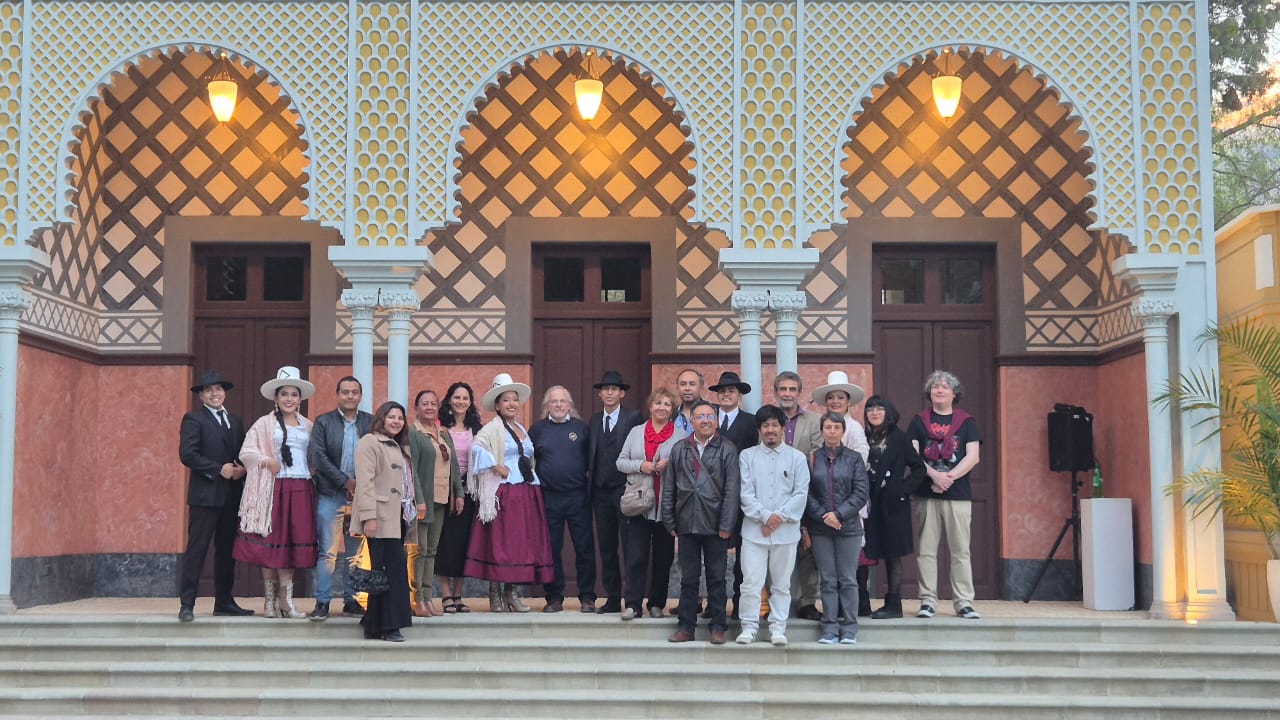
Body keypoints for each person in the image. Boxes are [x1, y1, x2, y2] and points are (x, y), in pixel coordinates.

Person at [464, 373, 555, 611]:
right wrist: (496, 466)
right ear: (497, 404)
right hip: (505, 491)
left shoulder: (520, 427)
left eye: (514, 399)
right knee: (501, 542)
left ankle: (511, 593)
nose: (512, 404)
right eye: (506, 400)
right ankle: (495, 593)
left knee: (520, 542)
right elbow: (476, 448)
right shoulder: (492, 428)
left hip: (525, 489)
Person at [234, 366, 318, 620]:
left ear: (300, 399)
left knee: (292, 545)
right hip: (274, 488)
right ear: (276, 398)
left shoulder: (308, 426)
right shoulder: (264, 424)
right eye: (284, 394)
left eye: (294, 394)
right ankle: (269, 601)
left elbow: (315, 454)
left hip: (301, 486)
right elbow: (246, 452)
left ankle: (287, 601)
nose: (289, 399)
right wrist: (266, 461)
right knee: (272, 544)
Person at [661, 399, 740, 644]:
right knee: (688, 578)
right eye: (700, 416)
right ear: (691, 421)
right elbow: (669, 487)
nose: (705, 420)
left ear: (716, 421)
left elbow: (732, 490)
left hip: (716, 524)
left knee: (717, 577)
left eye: (710, 416)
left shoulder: (727, 448)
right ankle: (686, 626)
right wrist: (669, 519)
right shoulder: (679, 448)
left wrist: (727, 524)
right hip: (686, 521)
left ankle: (718, 626)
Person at [177, 370, 252, 622]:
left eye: (218, 389)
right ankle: (187, 603)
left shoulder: (235, 420)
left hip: (231, 496)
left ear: (224, 393)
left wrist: (243, 469)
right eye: (208, 390)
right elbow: (188, 454)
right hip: (205, 496)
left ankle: (224, 601)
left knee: (226, 551)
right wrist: (218, 469)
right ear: (201, 395)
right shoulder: (193, 419)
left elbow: (241, 452)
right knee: (197, 549)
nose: (214, 394)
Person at [909, 370, 982, 620]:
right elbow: (914, 455)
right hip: (927, 494)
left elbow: (973, 456)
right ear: (929, 393)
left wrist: (948, 478)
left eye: (944, 387)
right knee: (927, 551)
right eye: (935, 387)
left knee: (961, 551)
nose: (939, 390)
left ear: (954, 393)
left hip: (958, 495)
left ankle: (963, 602)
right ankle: (928, 601)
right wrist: (934, 476)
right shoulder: (918, 421)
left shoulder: (967, 421)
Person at [735, 405, 808, 646]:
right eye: (765, 426)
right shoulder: (747, 456)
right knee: (750, 584)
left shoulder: (797, 458)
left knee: (781, 585)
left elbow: (800, 494)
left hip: (786, 533)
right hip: (754, 532)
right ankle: (749, 626)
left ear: (782, 427)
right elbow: (746, 494)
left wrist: (777, 519)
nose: (770, 430)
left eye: (774, 425)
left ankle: (778, 627)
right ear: (759, 429)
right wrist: (766, 517)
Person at [615, 387, 686, 621]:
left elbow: (686, 468)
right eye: (658, 403)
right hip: (639, 504)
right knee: (636, 556)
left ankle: (657, 603)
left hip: (666, 506)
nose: (662, 408)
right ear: (651, 406)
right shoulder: (636, 432)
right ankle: (633, 604)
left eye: (667, 404)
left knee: (663, 558)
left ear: (672, 409)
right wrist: (641, 465)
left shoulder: (679, 435)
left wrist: (671, 463)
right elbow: (620, 462)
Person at [306, 376, 372, 621]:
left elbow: (377, 454)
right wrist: (345, 481)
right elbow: (319, 456)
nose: (350, 396)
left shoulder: (369, 422)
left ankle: (351, 599)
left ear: (360, 396)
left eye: (354, 392)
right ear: (338, 394)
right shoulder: (324, 422)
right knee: (328, 552)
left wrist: (360, 485)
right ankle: (322, 602)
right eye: (345, 392)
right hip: (331, 494)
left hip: (360, 497)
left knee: (355, 553)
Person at [352, 401, 415, 642]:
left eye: (400, 417)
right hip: (379, 516)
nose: (396, 421)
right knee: (389, 570)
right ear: (382, 418)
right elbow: (365, 482)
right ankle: (389, 626)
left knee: (387, 569)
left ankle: (374, 623)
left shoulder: (399, 446)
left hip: (397, 515)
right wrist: (369, 517)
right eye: (391, 417)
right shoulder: (370, 442)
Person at [529, 386, 595, 613]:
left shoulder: (581, 429)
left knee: (584, 548)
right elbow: (529, 463)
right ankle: (554, 597)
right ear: (546, 406)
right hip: (548, 497)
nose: (558, 405)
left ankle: (587, 597)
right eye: (553, 401)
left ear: (570, 405)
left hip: (578, 496)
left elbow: (590, 461)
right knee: (552, 549)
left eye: (562, 401)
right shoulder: (537, 430)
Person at [805, 412, 869, 645]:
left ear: (843, 431)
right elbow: (807, 492)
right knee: (828, 580)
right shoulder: (812, 458)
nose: (831, 431)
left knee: (848, 578)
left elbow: (861, 492)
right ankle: (830, 628)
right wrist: (824, 515)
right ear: (821, 430)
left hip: (849, 527)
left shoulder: (854, 459)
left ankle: (850, 628)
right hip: (821, 528)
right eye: (827, 427)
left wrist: (839, 514)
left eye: (836, 427)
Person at [812, 369, 872, 615]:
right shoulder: (822, 426)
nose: (835, 401)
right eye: (831, 397)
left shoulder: (855, 429)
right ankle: (831, 614)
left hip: (848, 503)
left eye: (840, 397)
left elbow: (862, 462)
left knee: (850, 566)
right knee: (828, 571)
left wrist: (842, 511)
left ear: (848, 401)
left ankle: (852, 613)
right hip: (824, 507)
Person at [863, 395, 926, 619]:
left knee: (893, 555)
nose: (875, 412)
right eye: (870, 408)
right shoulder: (862, 437)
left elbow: (919, 469)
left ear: (888, 413)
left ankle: (894, 603)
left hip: (893, 506)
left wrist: (902, 490)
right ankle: (861, 601)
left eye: (880, 408)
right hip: (866, 503)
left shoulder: (899, 438)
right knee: (862, 553)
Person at [586, 370, 643, 613]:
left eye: (614, 389)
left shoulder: (633, 417)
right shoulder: (595, 420)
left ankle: (633, 600)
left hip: (625, 490)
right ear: (600, 394)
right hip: (600, 492)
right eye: (605, 389)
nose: (609, 393)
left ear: (622, 393)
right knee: (607, 547)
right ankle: (612, 597)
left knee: (631, 547)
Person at [408, 389, 462, 617]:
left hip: (441, 500)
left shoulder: (444, 432)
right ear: (417, 408)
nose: (429, 407)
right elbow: (412, 471)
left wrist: (458, 492)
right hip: (423, 501)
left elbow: (455, 466)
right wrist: (419, 500)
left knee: (431, 551)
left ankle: (428, 598)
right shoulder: (413, 433)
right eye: (424, 403)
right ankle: (416, 598)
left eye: (433, 403)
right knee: (418, 551)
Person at [774, 370, 822, 621]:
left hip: (806, 491)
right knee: (775, 548)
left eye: (792, 389)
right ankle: (772, 602)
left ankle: (807, 601)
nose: (788, 394)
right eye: (783, 389)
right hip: (773, 494)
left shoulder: (814, 420)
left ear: (799, 392)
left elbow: (817, 453)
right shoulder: (768, 419)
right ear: (776, 392)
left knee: (807, 550)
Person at [709, 370, 757, 619]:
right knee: (712, 553)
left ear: (739, 395)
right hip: (709, 496)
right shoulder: (707, 419)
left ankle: (739, 605)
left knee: (743, 555)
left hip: (740, 495)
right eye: (722, 391)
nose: (726, 394)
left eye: (731, 391)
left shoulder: (750, 422)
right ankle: (712, 605)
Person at [435, 381, 482, 613]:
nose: (461, 401)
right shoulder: (440, 427)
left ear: (470, 402)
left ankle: (458, 594)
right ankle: (445, 594)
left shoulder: (477, 429)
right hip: (446, 491)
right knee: (446, 542)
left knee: (465, 542)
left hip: (470, 491)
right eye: (457, 397)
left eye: (465, 398)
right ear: (449, 400)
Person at [673, 368, 706, 435]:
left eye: (692, 384)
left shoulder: (714, 412)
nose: (687, 388)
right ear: (677, 387)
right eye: (683, 384)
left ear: (701, 387)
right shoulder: (670, 414)